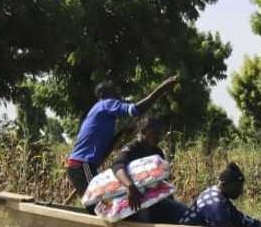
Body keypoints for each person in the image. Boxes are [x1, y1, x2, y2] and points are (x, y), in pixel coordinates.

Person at [64, 75, 178, 207]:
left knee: (100, 204)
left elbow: (106, 148)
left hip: (83, 166)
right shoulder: (106, 103)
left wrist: (121, 134)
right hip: (83, 165)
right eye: (114, 92)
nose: (118, 95)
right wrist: (162, 88)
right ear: (104, 94)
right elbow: (136, 110)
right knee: (100, 205)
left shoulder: (99, 112)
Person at [109, 115, 200, 225]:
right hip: (134, 198)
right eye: (154, 133)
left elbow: (163, 178)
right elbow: (118, 166)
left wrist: (170, 199)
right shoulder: (131, 148)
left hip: (154, 198)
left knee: (183, 212)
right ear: (143, 131)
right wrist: (130, 186)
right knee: (144, 217)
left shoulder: (156, 152)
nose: (158, 137)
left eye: (159, 134)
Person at [187, 162, 261, 227]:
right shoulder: (216, 204)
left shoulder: (217, 194)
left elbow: (239, 219)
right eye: (236, 187)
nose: (240, 191)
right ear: (224, 184)